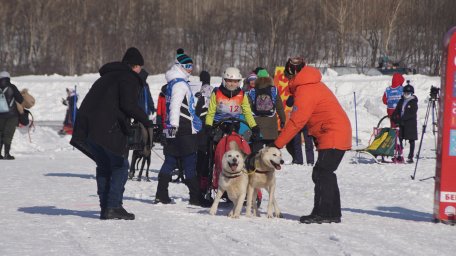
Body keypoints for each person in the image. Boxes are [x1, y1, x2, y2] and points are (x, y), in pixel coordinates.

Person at [70, 47, 151, 220]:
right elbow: (128, 105)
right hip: (106, 128)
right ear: (135, 66)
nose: (140, 72)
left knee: (105, 165)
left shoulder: (106, 77)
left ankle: (105, 207)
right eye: (139, 68)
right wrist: (146, 120)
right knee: (120, 165)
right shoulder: (128, 77)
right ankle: (113, 206)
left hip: (87, 129)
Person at [271, 57, 352, 224]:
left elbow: (296, 122)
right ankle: (332, 213)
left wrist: (277, 144)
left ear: (294, 73)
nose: (288, 80)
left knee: (322, 172)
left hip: (333, 133)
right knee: (326, 173)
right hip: (334, 132)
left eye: (288, 76)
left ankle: (322, 212)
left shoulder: (306, 89)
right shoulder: (310, 84)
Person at [154, 48, 203, 206]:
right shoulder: (180, 84)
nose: (190, 69)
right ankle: (195, 197)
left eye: (191, 66)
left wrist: (168, 129)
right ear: (179, 66)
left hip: (171, 127)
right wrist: (174, 126)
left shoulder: (171, 83)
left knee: (170, 160)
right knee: (189, 162)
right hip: (183, 128)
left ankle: (161, 194)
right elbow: (175, 106)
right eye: (187, 66)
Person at [204, 67, 259, 139]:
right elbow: (211, 113)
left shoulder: (242, 94)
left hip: (234, 125)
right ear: (224, 80)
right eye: (229, 81)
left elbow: (247, 113)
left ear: (239, 82)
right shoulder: (217, 93)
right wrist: (208, 125)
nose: (232, 84)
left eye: (235, 81)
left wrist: (254, 126)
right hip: (218, 126)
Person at [247, 69, 286, 153]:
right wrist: (283, 120)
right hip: (271, 125)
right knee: (271, 153)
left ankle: (256, 165)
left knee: (257, 153)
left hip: (257, 124)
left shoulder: (252, 91)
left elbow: (247, 108)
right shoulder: (274, 90)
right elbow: (280, 107)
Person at [195, 70, 213, 205]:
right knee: (209, 159)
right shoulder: (213, 90)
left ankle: (199, 188)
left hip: (201, 128)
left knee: (201, 159)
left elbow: (197, 111)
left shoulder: (202, 91)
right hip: (211, 127)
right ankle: (206, 187)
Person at [391, 82, 418, 163]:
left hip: (410, 124)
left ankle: (410, 156)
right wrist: (394, 117)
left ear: (411, 93)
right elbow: (397, 110)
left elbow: (412, 113)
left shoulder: (413, 102)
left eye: (408, 93)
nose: (406, 94)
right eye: (405, 92)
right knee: (400, 138)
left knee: (411, 140)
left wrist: (403, 119)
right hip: (402, 123)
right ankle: (400, 154)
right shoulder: (401, 100)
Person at [0, 71, 24, 160]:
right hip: (11, 114)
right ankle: (7, 154)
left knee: (0, 133)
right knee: (8, 134)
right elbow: (20, 100)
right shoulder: (12, 87)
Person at [285, 96, 315, 165]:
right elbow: (288, 103)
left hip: (306, 120)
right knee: (296, 142)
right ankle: (299, 160)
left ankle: (310, 161)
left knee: (308, 143)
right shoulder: (295, 94)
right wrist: (293, 96)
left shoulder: (308, 94)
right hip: (296, 120)